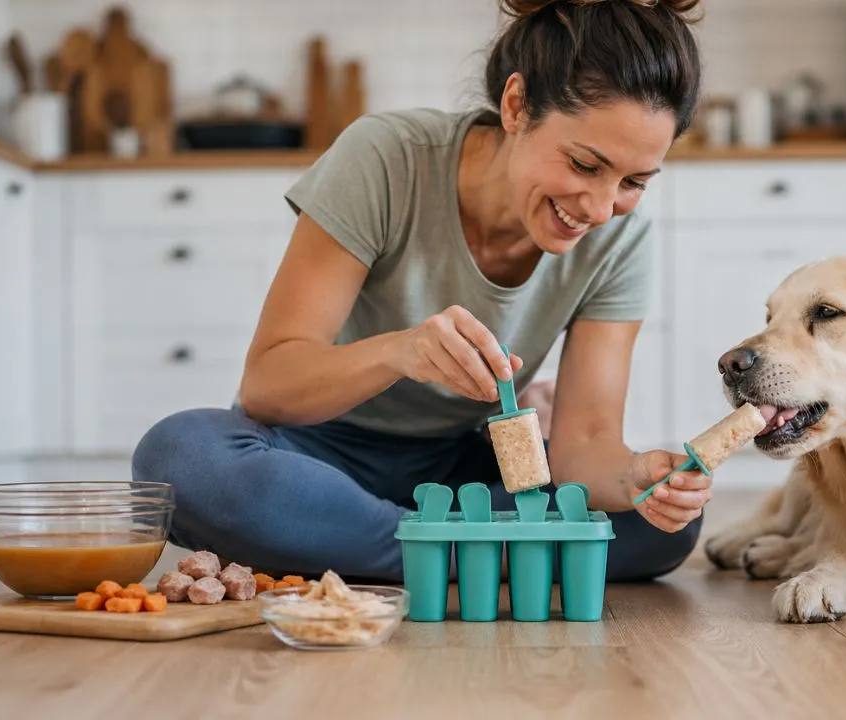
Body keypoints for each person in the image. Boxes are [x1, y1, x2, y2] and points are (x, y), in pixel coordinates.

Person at [132, 0, 709, 583]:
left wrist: (638, 476)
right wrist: (400, 352)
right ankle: (468, 553)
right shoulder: (387, 158)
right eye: (585, 165)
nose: (602, 208)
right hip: (312, 455)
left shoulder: (621, 241)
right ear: (516, 106)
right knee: (181, 457)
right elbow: (267, 388)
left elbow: (582, 447)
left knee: (664, 524)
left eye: (634, 182)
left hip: (460, 470)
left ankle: (383, 547)